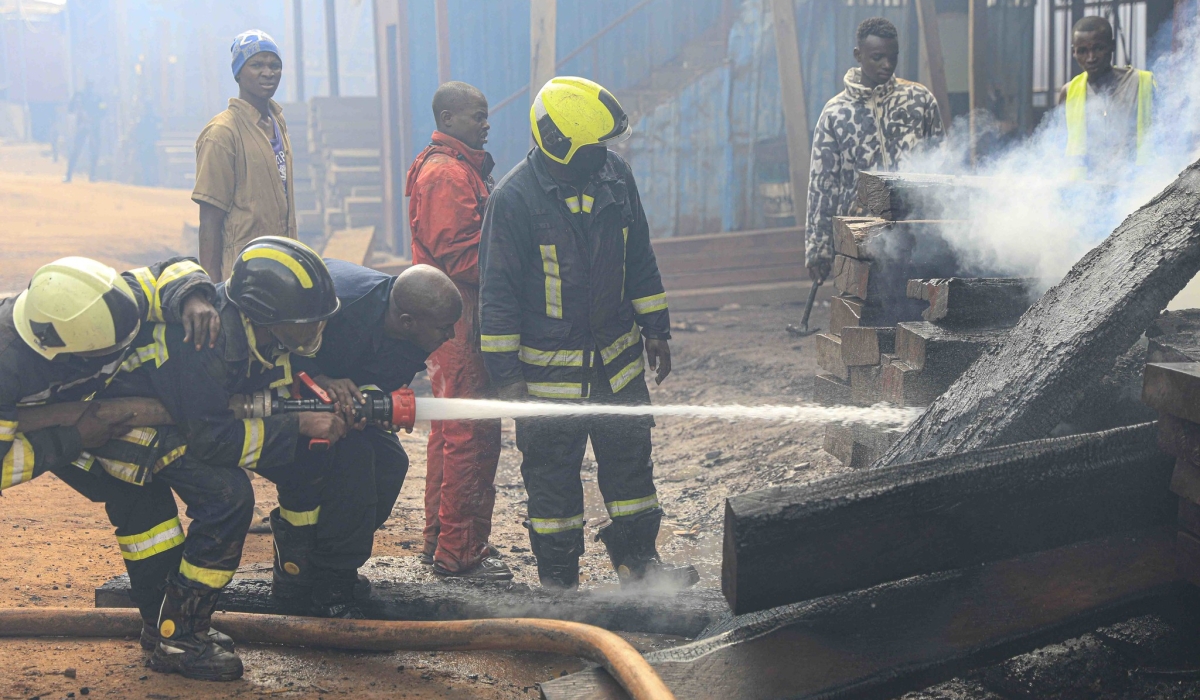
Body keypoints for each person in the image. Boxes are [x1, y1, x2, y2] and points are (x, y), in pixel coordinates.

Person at [479, 76, 696, 591]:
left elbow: (639, 256)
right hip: (548, 380)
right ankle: (560, 584)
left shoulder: (614, 177)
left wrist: (656, 328)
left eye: (604, 147)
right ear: (556, 144)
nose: (602, 157)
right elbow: (497, 295)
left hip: (617, 366)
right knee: (552, 482)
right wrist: (506, 378)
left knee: (632, 470)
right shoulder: (513, 200)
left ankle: (639, 567)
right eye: (592, 149)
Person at [108, 237, 348, 681]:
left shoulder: (254, 332)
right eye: (304, 324)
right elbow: (211, 442)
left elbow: (237, 403)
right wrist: (297, 426)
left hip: (182, 417)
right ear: (264, 316)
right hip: (127, 424)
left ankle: (174, 624)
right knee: (227, 496)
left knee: (276, 469)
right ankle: (178, 639)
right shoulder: (208, 341)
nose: (314, 332)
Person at [0, 256, 225, 655]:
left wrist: (192, 297)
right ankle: (166, 627)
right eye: (107, 352)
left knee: (135, 489)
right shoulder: (7, 369)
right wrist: (74, 437)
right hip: (51, 430)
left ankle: (163, 625)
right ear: (60, 353)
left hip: (78, 414)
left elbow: (166, 274)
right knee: (138, 499)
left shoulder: (101, 301)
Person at [273, 261, 465, 615]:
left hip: (337, 409)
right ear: (408, 321)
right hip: (285, 406)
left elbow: (382, 377)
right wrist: (322, 379)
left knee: (392, 463)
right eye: (445, 328)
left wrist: (373, 406)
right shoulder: (339, 305)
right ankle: (328, 587)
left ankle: (333, 563)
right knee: (354, 466)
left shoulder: (413, 334)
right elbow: (273, 344)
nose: (450, 336)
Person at [405, 81, 510, 581]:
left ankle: (439, 543)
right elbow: (460, 255)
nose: (486, 123)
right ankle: (460, 554)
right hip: (463, 324)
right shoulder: (447, 173)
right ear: (448, 119)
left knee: (450, 432)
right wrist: (515, 268)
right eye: (477, 115)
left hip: (450, 324)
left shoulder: (450, 166)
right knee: (472, 433)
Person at [804, 17, 944, 283]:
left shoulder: (920, 101)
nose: (887, 65)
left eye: (893, 57)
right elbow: (822, 186)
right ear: (858, 55)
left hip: (915, 236)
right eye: (878, 57)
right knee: (861, 316)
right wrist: (818, 248)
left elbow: (941, 168)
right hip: (859, 241)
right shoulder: (835, 113)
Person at [194, 30, 297, 282]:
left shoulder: (277, 122)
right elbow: (209, 219)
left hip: (283, 267)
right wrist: (214, 289)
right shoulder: (222, 133)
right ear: (239, 72)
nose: (268, 72)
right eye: (256, 65)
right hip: (242, 275)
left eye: (275, 65)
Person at [1057, 15, 1155, 178]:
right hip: (1086, 188)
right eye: (1082, 51)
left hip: (1134, 184)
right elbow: (1058, 145)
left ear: (1112, 46)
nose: (1091, 57)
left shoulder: (1141, 83)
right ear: (1074, 52)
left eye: (1098, 48)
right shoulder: (1069, 91)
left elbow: (1165, 135)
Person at [64, 80, 105, 183]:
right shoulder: (80, 96)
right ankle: (69, 175)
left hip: (94, 126)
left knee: (94, 151)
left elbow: (104, 111)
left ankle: (92, 175)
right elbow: (70, 108)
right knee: (77, 150)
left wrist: (95, 118)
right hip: (83, 126)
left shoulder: (97, 97)